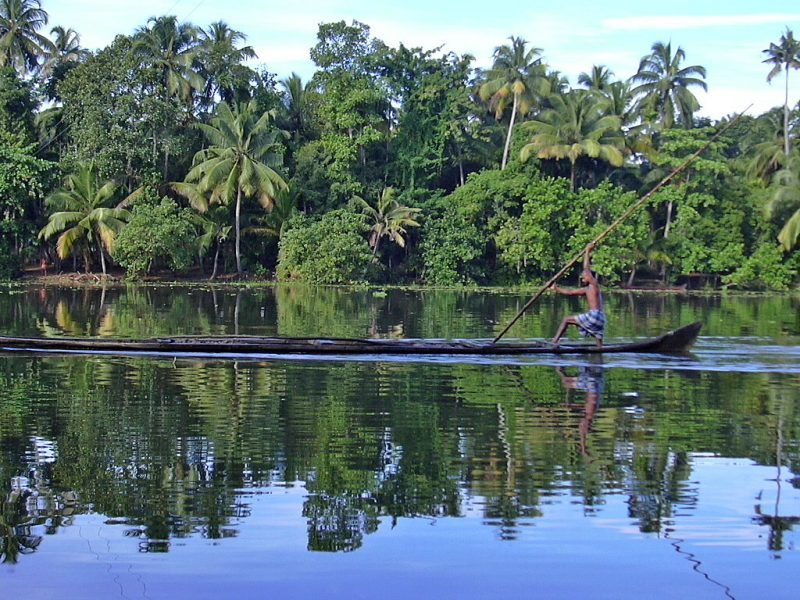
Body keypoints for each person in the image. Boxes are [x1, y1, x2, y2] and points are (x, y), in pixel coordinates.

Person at [550, 242, 604, 347]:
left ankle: (554, 342)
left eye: (584, 277)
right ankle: (600, 349)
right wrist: (555, 288)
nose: (583, 278)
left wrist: (587, 251)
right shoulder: (587, 290)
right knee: (599, 343)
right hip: (601, 318)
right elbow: (569, 292)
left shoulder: (594, 285)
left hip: (595, 315)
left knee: (566, 320)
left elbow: (586, 268)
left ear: (589, 277)